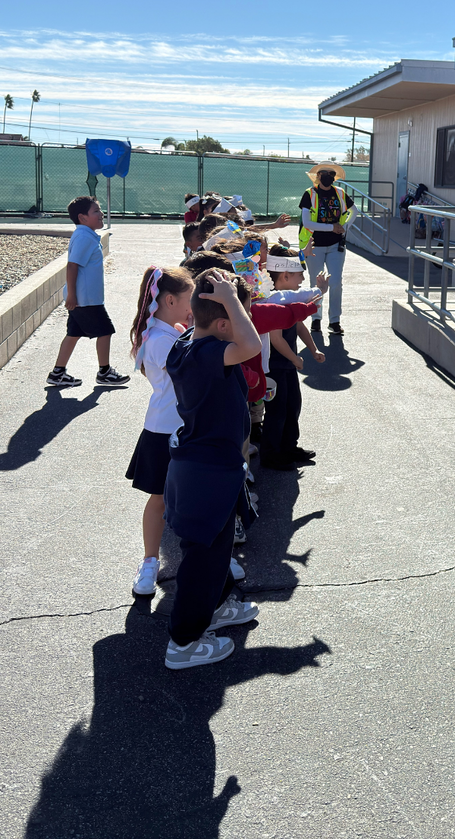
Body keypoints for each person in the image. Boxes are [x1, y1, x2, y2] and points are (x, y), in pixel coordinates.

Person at [163, 269, 262, 670]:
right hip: (209, 475)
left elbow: (224, 330)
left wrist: (222, 294)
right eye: (238, 315)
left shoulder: (185, 344)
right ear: (223, 323)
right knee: (202, 562)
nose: (243, 321)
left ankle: (216, 607)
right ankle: (182, 643)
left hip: (203, 470)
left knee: (216, 551)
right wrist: (232, 301)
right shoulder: (208, 355)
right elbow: (251, 343)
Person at [127, 266, 194, 596]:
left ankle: (207, 559)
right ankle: (150, 561)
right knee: (161, 500)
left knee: (187, 498)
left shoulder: (168, 331)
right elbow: (191, 372)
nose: (192, 306)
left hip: (177, 426)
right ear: (169, 300)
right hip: (168, 430)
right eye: (189, 299)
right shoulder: (160, 340)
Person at [46, 196, 130, 388]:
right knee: (106, 330)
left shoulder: (86, 234)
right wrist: (73, 295)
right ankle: (105, 372)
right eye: (96, 211)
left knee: (74, 333)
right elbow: (72, 266)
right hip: (86, 300)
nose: (101, 214)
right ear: (82, 218)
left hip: (83, 299)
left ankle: (57, 373)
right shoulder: (84, 236)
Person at [259, 254, 326, 470]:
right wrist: (295, 358)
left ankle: (289, 446)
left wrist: (313, 348)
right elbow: (276, 338)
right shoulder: (273, 301)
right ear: (285, 276)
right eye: (299, 276)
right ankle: (271, 454)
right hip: (275, 366)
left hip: (287, 365)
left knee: (292, 406)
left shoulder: (289, 300)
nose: (302, 280)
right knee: (277, 410)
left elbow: (298, 325)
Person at [299, 163, 357, 335]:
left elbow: (354, 211)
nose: (327, 176)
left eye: (331, 174)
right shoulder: (309, 194)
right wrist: (332, 227)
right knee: (315, 282)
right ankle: (316, 319)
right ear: (317, 176)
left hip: (335, 245)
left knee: (336, 282)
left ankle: (335, 321)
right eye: (324, 173)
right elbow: (308, 222)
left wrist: (344, 227)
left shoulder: (340, 193)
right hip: (314, 245)